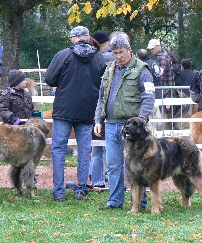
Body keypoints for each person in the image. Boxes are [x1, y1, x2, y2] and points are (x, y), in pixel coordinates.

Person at [44, 26, 107, 202]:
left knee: (58, 149)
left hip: (63, 109)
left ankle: (58, 191)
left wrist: (63, 80)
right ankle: (81, 189)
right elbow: (104, 82)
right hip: (87, 110)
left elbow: (49, 79)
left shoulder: (63, 55)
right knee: (85, 150)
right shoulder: (99, 58)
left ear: (73, 39)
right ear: (87, 38)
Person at [94, 34, 155, 210]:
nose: (118, 56)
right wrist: (98, 119)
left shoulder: (142, 69)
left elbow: (149, 97)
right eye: (115, 53)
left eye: (121, 52)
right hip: (111, 125)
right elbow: (101, 98)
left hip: (134, 129)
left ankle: (140, 202)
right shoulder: (109, 70)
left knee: (138, 167)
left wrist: (142, 119)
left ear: (129, 50)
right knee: (113, 165)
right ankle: (114, 201)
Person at [88, 31, 115, 189]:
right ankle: (112, 181)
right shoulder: (107, 59)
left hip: (93, 108)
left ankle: (97, 180)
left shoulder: (95, 60)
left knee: (97, 148)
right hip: (105, 109)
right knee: (109, 149)